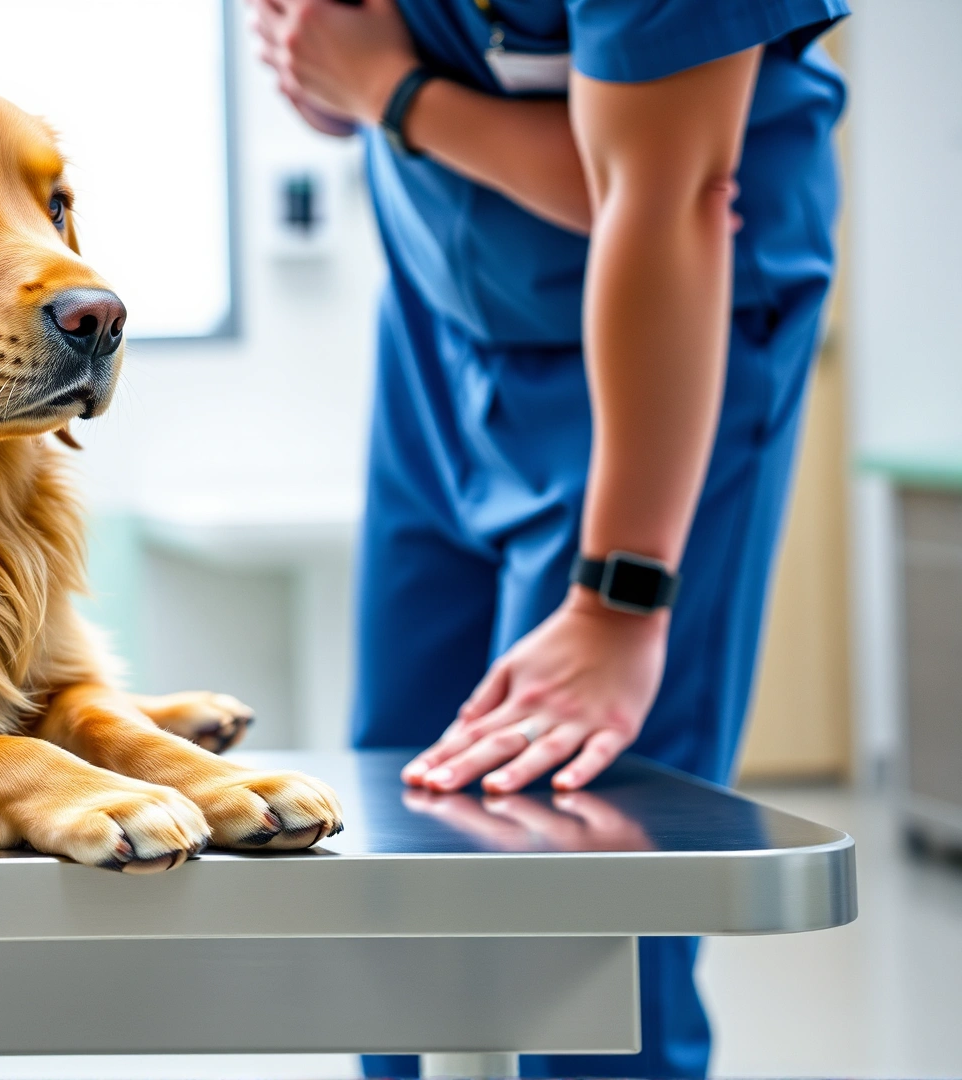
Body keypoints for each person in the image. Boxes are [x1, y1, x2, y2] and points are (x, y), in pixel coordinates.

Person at [250, 0, 847, 1075]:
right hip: (443, 322)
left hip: (667, 333)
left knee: (585, 892)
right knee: (395, 837)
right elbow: (328, 56)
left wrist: (620, 597)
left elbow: (658, 199)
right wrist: (336, 82)